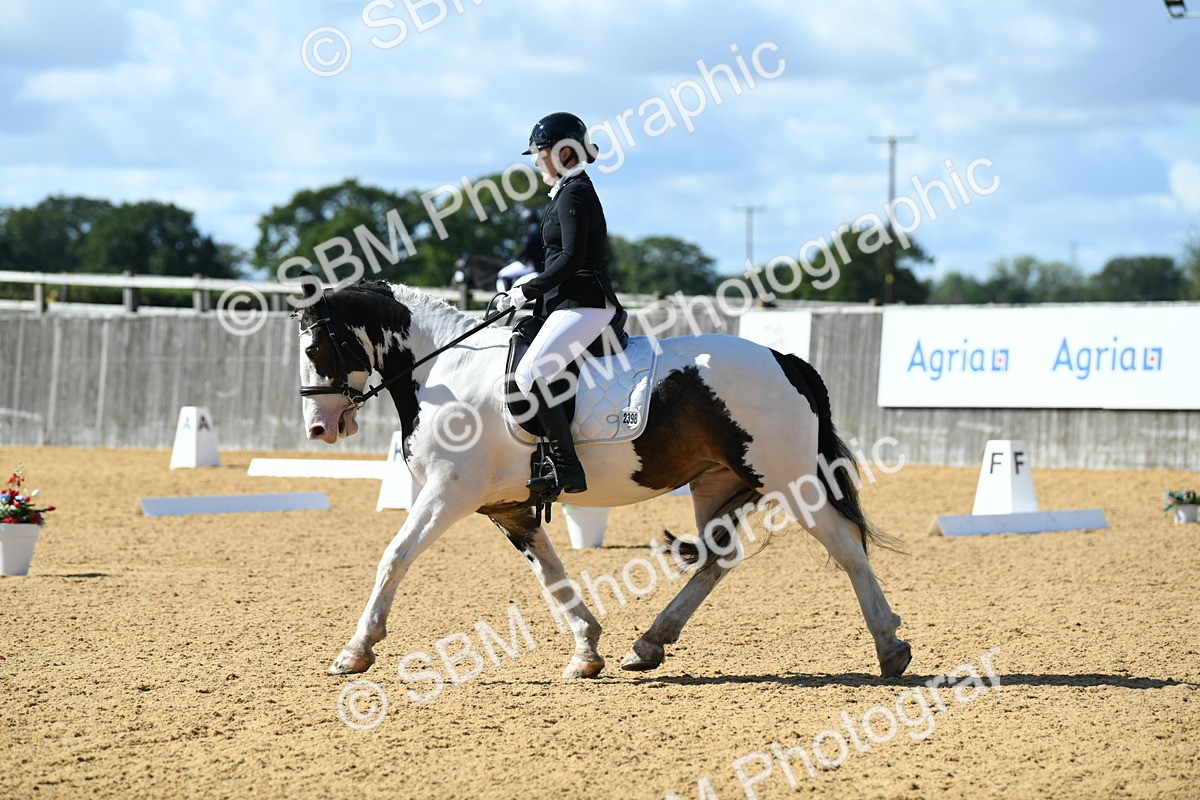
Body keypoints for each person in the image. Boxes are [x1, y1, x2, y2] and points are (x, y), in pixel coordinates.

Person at [495, 112, 623, 494]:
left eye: (540, 152)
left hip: (585, 302)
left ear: (562, 152)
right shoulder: (565, 192)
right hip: (565, 302)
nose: (536, 161)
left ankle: (567, 467)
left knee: (530, 373)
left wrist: (524, 291)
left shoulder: (576, 192)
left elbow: (569, 260)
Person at [495, 209, 544, 292]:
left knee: (502, 274)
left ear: (528, 221)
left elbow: (524, 249)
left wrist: (514, 258)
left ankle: (505, 296)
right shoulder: (541, 230)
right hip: (539, 263)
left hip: (530, 264)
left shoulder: (531, 233)